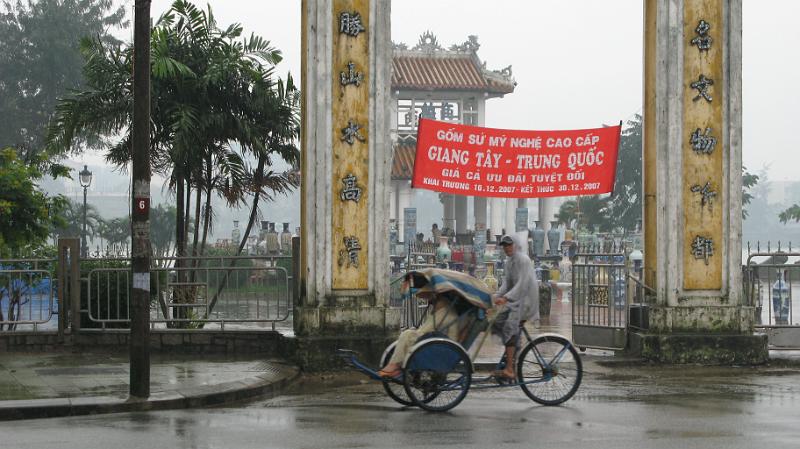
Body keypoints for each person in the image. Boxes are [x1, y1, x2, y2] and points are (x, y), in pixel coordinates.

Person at [378, 290, 460, 378]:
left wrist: (413, 333)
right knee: (409, 334)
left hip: (442, 348)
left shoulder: (445, 314)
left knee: (407, 334)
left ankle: (395, 366)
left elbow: (424, 331)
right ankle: (397, 365)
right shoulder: (443, 312)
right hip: (438, 343)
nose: (432, 304)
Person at [491, 234, 539, 380]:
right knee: (497, 321)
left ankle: (510, 369)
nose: (507, 248)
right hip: (516, 299)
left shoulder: (523, 260)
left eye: (509, 245)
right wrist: (495, 297)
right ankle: (512, 359)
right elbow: (507, 283)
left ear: (516, 245)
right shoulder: (509, 262)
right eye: (505, 246)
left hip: (526, 301)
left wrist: (506, 298)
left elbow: (522, 284)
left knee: (509, 327)